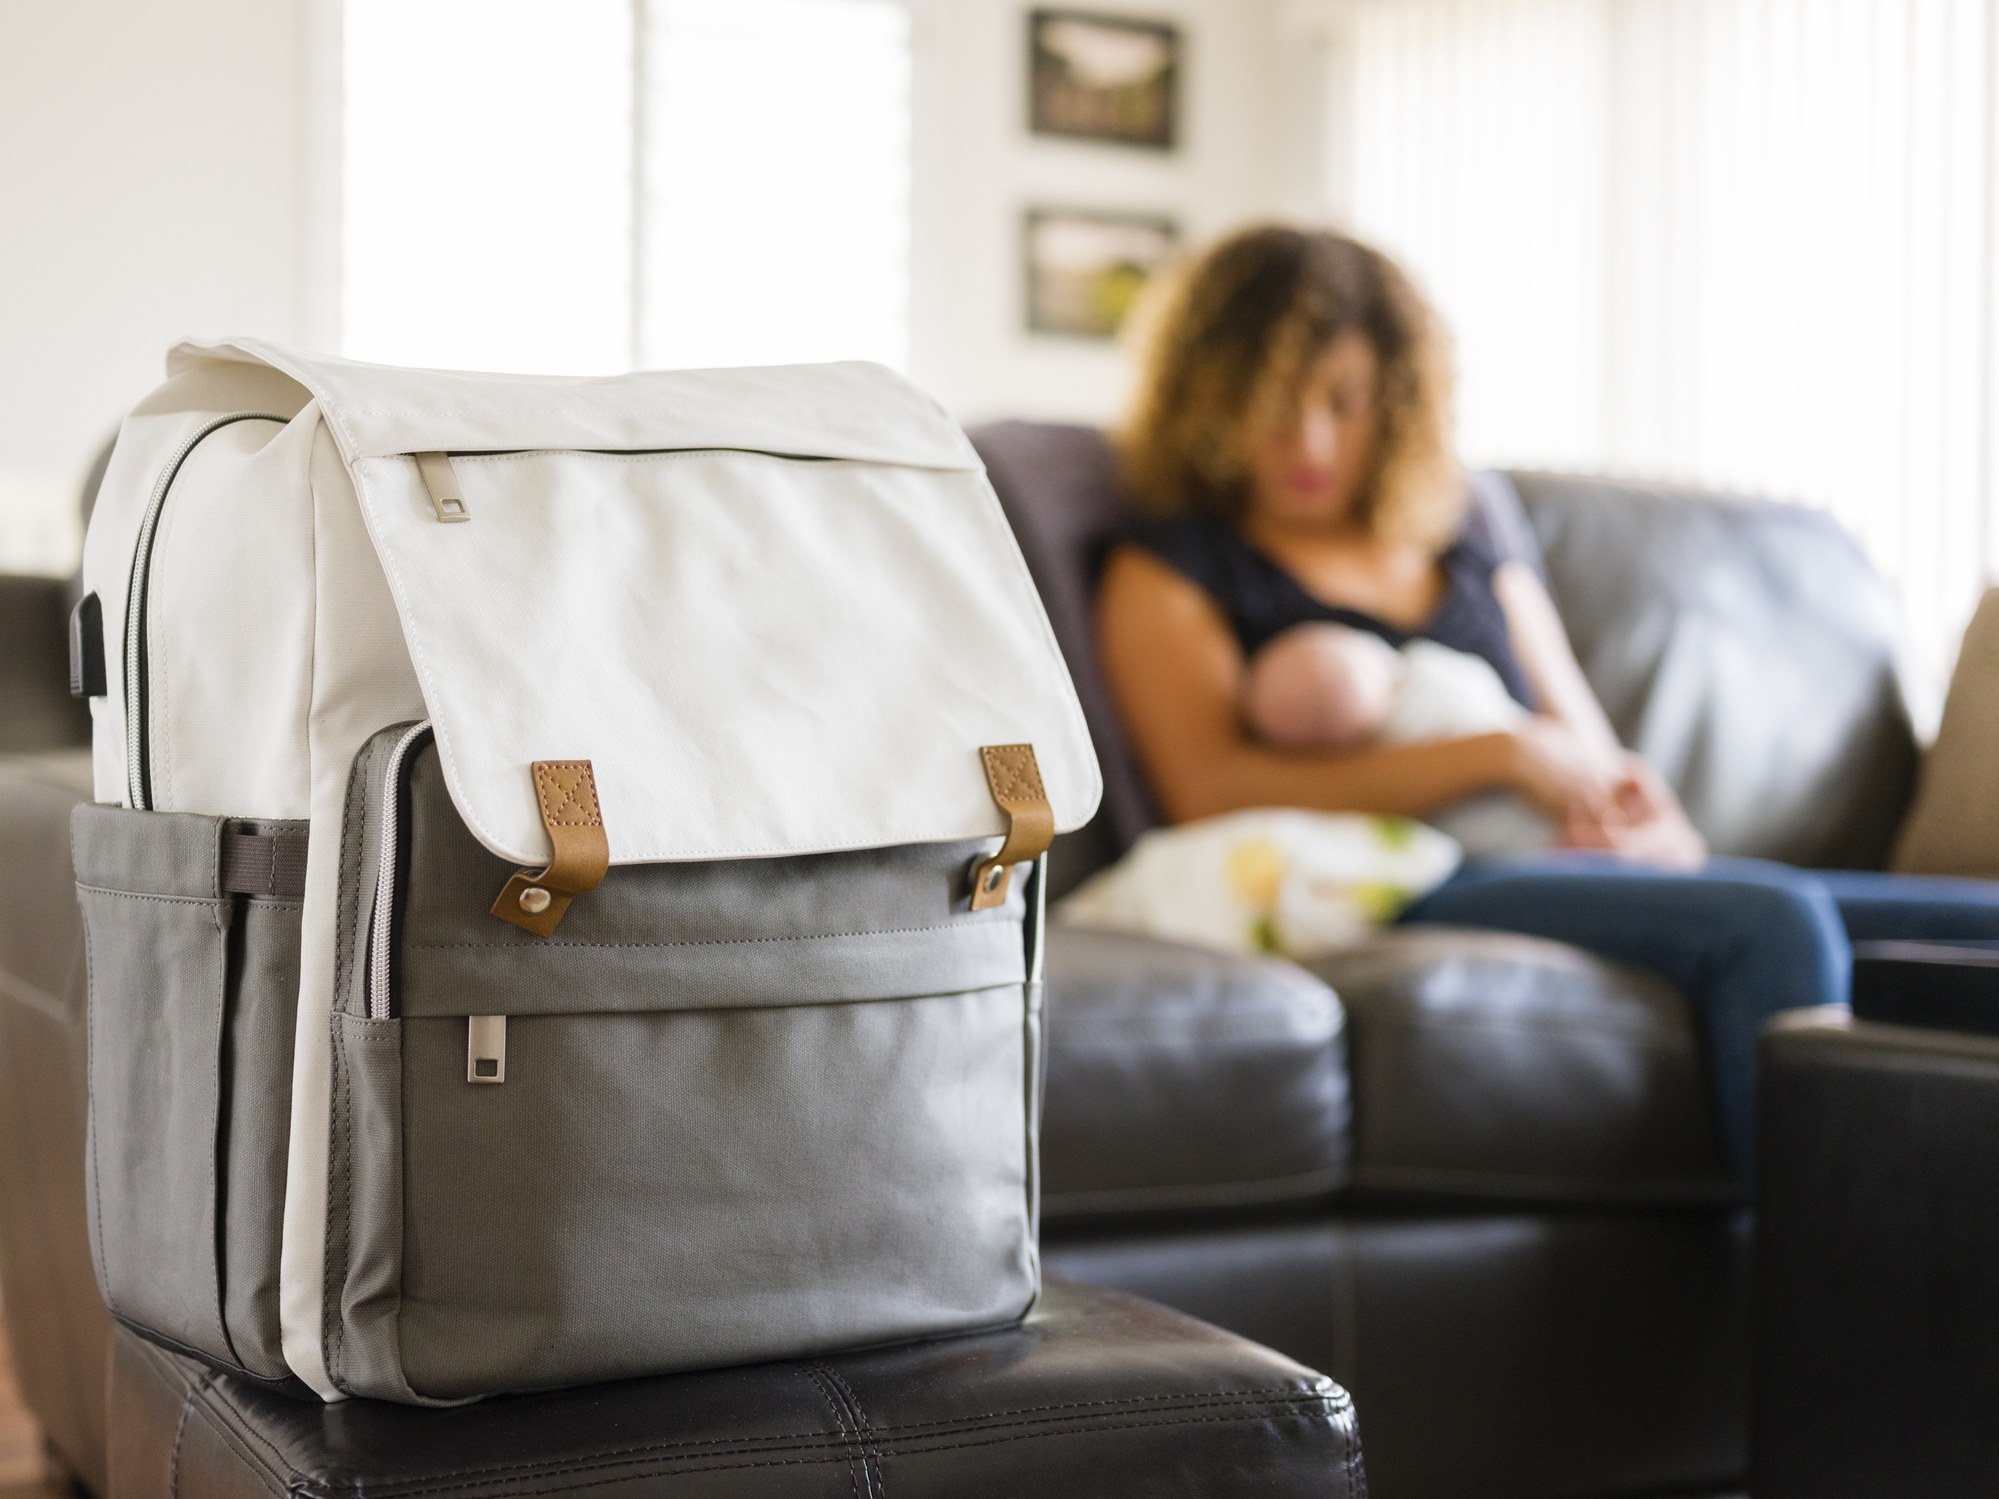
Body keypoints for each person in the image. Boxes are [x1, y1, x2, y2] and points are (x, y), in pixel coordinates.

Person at [1095, 223, 1999, 1183]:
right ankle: (1836, 1303)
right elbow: (1209, 787)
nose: (1309, 438)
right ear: (1210, 399)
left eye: (1344, 403)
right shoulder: (1172, 564)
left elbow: (1585, 745)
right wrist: (1495, 755)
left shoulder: (1464, 545)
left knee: (1973, 921)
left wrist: (1645, 825)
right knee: (1769, 925)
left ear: (1396, 403)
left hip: (1559, 854)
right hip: (1411, 877)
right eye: (1275, 404)